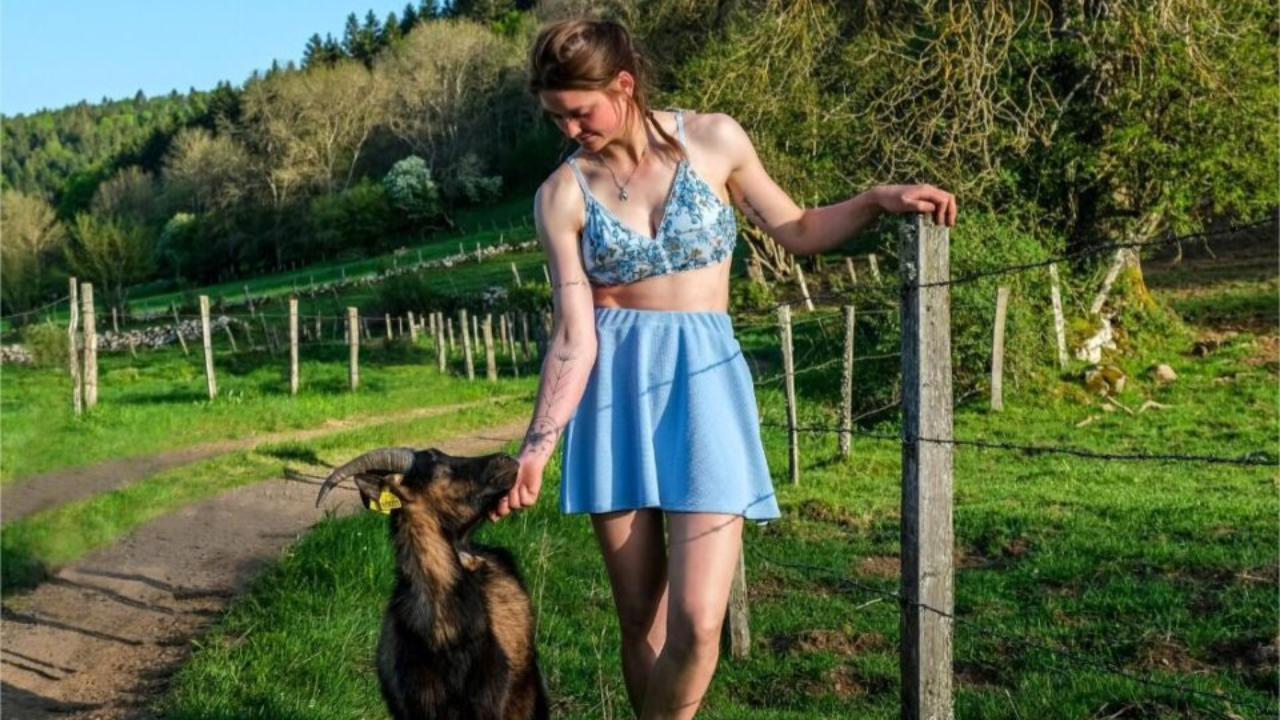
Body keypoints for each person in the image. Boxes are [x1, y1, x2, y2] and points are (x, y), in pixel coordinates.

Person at [489, 17, 957, 720]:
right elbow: (572, 338)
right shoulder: (560, 196)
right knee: (640, 620)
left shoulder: (716, 140)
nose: (570, 130)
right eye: (557, 118)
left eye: (580, 112)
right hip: (614, 400)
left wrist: (874, 201)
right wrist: (536, 449)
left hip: (706, 392)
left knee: (700, 624)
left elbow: (797, 230)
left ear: (624, 84)